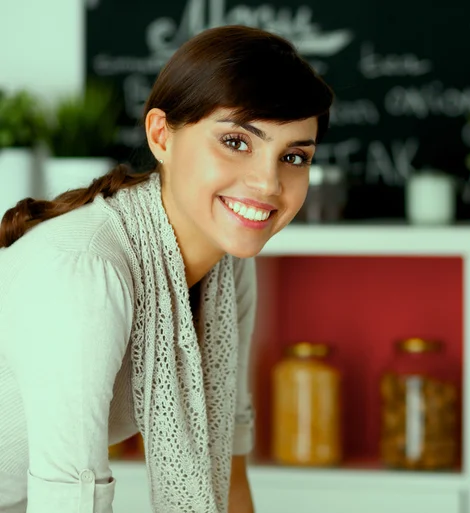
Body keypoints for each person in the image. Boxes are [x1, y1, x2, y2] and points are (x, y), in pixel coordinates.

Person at [0, 25, 333, 513]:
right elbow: (68, 502)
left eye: (294, 156)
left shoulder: (227, 267)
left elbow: (230, 475)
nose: (268, 183)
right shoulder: (87, 272)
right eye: (237, 142)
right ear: (161, 134)